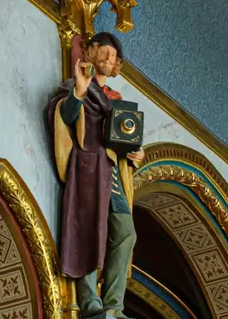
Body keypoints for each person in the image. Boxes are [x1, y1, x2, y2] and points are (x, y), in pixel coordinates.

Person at [47, 32, 145, 319]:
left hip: (112, 172)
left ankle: (114, 304)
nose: (107, 58)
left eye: (113, 56)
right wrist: (78, 91)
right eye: (103, 52)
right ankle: (90, 301)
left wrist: (135, 154)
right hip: (89, 168)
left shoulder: (116, 101)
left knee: (125, 233)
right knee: (89, 228)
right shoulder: (77, 87)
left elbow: (122, 140)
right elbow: (64, 116)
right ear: (90, 53)